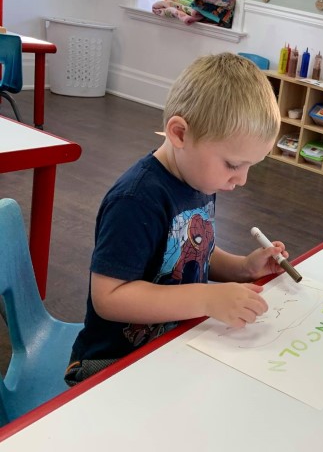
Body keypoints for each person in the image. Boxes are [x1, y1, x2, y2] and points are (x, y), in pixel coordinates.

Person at [66, 53, 285, 385]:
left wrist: (242, 268)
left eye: (251, 166)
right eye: (232, 164)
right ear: (180, 134)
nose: (241, 179)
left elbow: (188, 251)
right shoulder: (136, 200)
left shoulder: (198, 176)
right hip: (112, 364)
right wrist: (207, 298)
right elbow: (109, 297)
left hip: (169, 344)